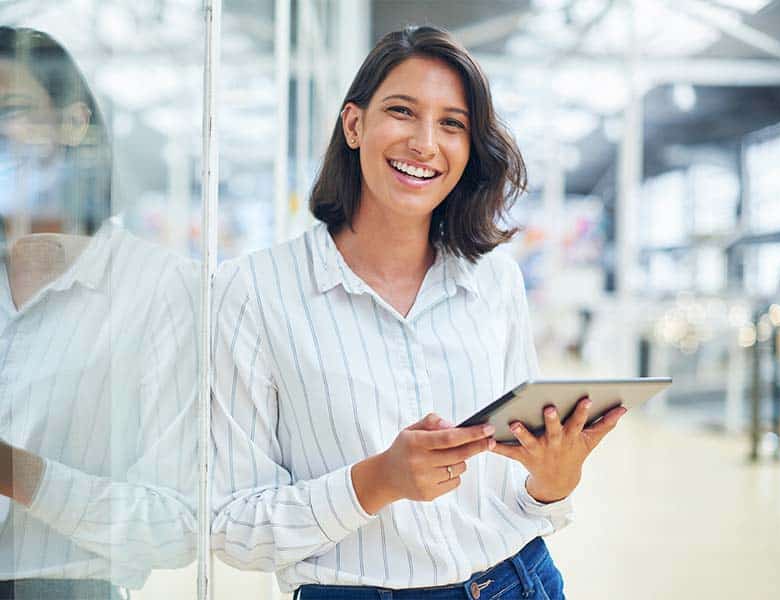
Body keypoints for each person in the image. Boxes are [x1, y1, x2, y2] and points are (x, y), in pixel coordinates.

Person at [211, 25, 626, 599]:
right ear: (353, 124)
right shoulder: (252, 292)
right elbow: (231, 525)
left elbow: (519, 490)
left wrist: (554, 481)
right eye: (403, 112)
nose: (426, 143)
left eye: (452, 123)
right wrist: (375, 481)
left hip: (517, 581)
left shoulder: (495, 280)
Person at [0, 27, 199, 599]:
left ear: (73, 122)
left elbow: (175, 525)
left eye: (12, 110)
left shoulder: (157, 288)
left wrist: (18, 473)